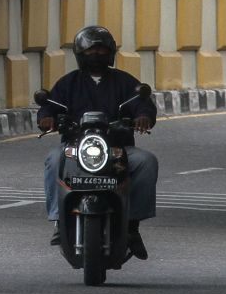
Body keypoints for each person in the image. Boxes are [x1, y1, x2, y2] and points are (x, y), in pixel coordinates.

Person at [38, 25, 159, 257]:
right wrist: (46, 118)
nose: (97, 54)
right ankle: (57, 219)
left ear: (111, 52)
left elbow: (142, 103)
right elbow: (49, 105)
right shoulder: (68, 83)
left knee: (146, 161)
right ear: (80, 53)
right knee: (54, 159)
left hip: (117, 149)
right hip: (75, 148)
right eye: (91, 50)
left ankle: (133, 226)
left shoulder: (125, 82)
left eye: (102, 50)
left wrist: (144, 116)